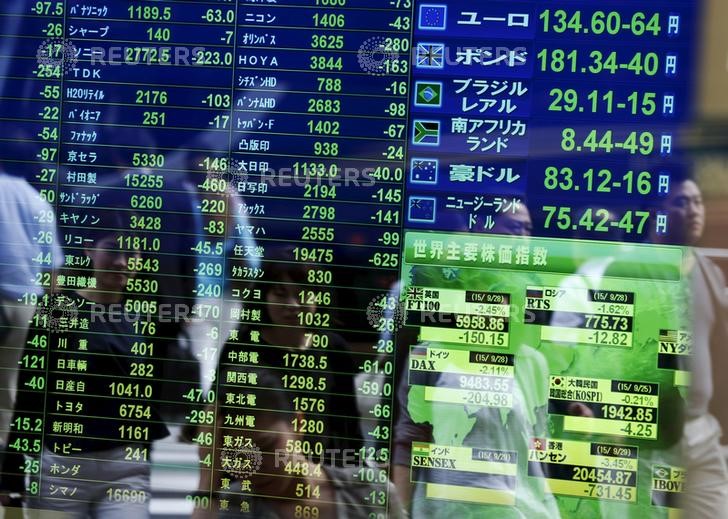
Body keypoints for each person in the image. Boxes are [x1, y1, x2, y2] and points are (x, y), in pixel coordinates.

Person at [0, 212, 169, 518]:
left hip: (126, 469)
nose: (121, 262)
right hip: (60, 470)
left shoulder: (145, 317)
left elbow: (148, 399)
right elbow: (30, 390)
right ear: (90, 250)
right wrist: (10, 472)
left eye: (131, 253)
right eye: (113, 249)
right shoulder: (58, 309)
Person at [191, 368, 405, 518]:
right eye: (237, 457)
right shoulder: (234, 505)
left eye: (266, 446)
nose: (253, 467)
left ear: (297, 424)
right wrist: (208, 481)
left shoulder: (368, 490)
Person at [649, 176, 728, 517]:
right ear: (655, 212)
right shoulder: (636, 270)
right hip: (649, 436)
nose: (694, 211)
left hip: (702, 433)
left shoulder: (709, 270)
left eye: (697, 201)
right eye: (682, 202)